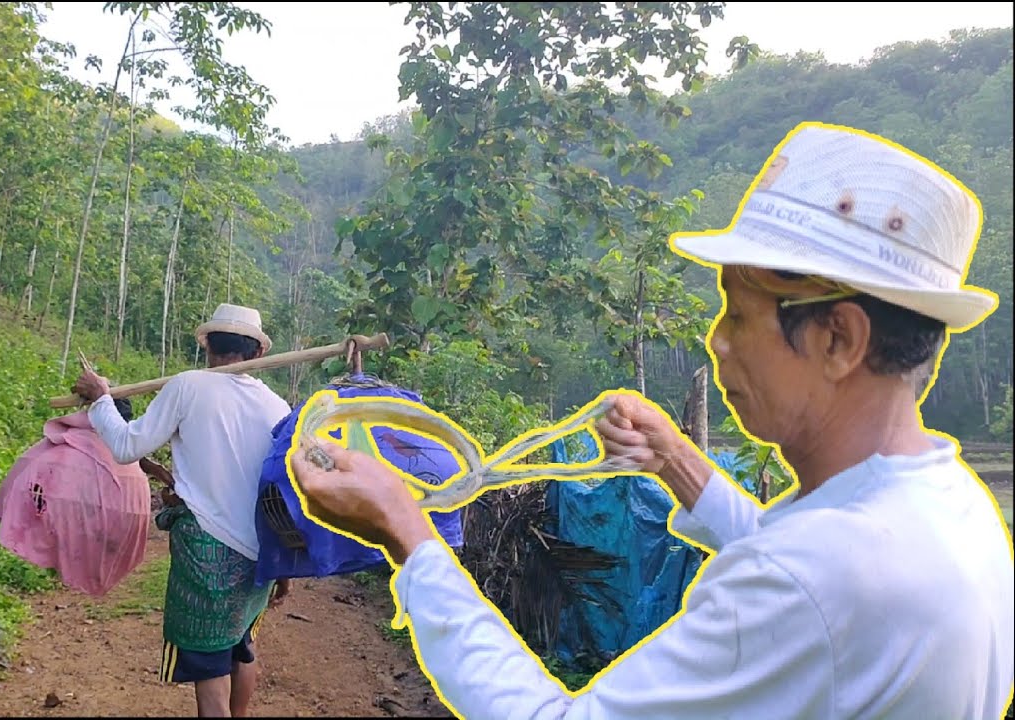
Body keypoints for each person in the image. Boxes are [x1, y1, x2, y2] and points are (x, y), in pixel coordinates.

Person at [288, 122, 1014, 719]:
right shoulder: (947, 508)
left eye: (738, 310)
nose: (717, 340)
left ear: (839, 340)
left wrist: (408, 534)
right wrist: (673, 457)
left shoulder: (819, 577)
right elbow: (788, 551)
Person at [73, 303, 293, 718]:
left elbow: (125, 446)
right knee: (241, 649)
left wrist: (102, 398)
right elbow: (278, 492)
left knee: (210, 672)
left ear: (207, 344)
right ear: (257, 353)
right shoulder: (277, 407)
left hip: (206, 553)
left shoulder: (187, 385)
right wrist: (281, 565)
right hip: (258, 556)